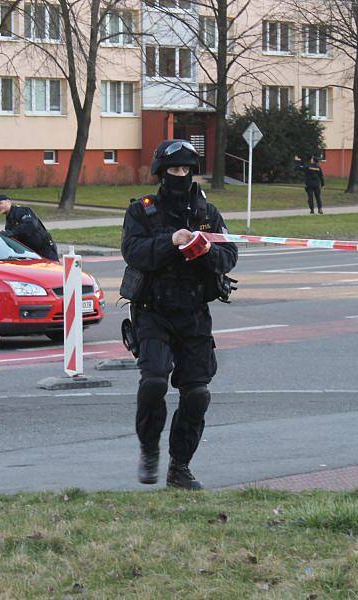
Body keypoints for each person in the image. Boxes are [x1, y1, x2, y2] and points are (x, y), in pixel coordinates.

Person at [120, 139, 238, 490]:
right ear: (161, 172)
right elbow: (133, 252)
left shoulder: (207, 213)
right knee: (154, 381)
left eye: (186, 169)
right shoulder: (143, 211)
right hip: (153, 312)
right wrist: (170, 242)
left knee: (197, 392)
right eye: (174, 169)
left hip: (194, 314)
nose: (180, 175)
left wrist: (202, 249)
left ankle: (180, 467)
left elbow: (229, 255)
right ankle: (149, 449)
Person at [0, 194, 59, 260]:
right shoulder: (9, 219)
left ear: (8, 202)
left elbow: (30, 224)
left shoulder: (21, 211)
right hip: (31, 253)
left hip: (45, 249)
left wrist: (12, 232)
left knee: (52, 269)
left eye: (0, 203)